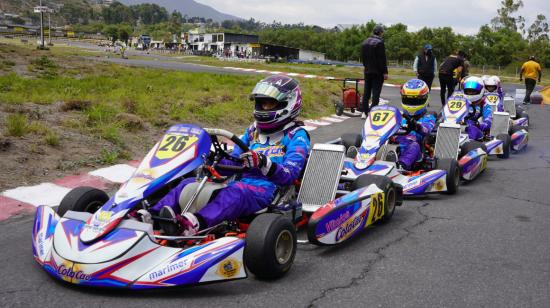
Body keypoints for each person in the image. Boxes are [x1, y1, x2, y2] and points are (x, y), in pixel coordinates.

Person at [146, 75, 311, 236]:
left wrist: (263, 162)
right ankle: (152, 216)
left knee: (235, 192)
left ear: (287, 104)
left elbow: (290, 175)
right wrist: (215, 159)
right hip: (238, 184)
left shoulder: (297, 135)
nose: (263, 108)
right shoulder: (253, 131)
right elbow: (234, 162)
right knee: (189, 183)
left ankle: (195, 223)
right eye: (261, 103)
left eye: (269, 104)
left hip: (267, 190)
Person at [395, 79, 436, 170]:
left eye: (415, 101)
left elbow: (427, 129)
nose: (411, 104)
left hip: (415, 149)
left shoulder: (428, 117)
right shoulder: (398, 115)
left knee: (414, 146)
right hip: (394, 143)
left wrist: (417, 126)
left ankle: (401, 166)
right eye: (408, 100)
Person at [361, 24, 388, 119]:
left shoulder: (365, 42)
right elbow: (382, 59)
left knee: (366, 91)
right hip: (377, 72)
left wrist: (366, 67)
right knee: (376, 92)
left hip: (367, 70)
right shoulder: (380, 43)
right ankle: (372, 111)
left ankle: (364, 111)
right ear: (380, 32)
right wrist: (385, 72)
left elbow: (363, 58)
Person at [462, 76, 493, 141]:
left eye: (473, 91)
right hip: (459, 126)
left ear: (481, 91)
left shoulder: (484, 105)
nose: (470, 93)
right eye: (468, 91)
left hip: (476, 130)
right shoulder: (461, 102)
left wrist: (479, 125)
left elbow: (488, 120)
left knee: (472, 129)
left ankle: (468, 145)